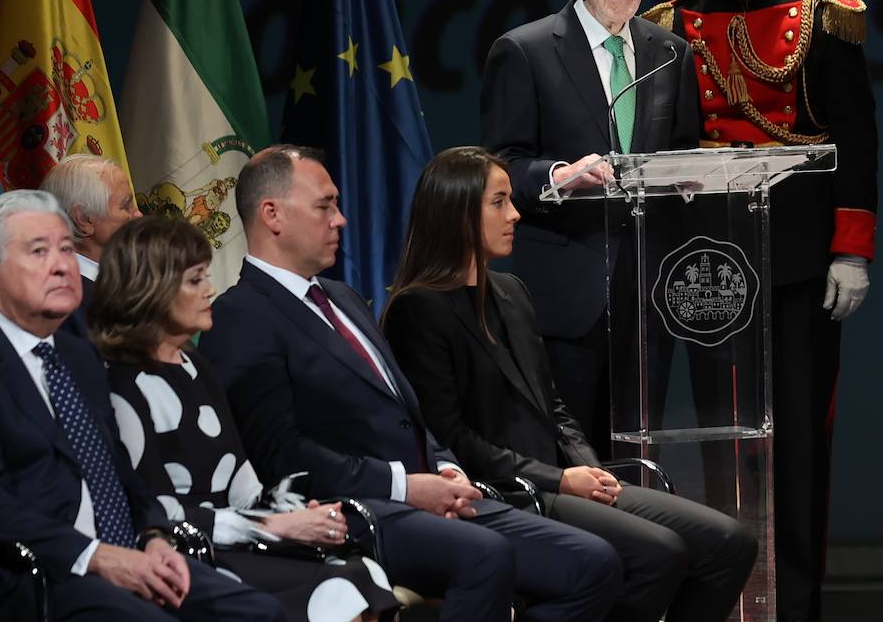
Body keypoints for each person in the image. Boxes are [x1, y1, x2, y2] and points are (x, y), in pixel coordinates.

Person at [198, 145, 623, 621]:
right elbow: (281, 456)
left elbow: (409, 412)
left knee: (595, 563)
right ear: (272, 214)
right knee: (485, 556)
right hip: (353, 510)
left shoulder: (343, 298)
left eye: (336, 204)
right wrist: (406, 486)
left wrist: (446, 471)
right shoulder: (241, 317)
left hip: (432, 495)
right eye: (325, 206)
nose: (339, 219)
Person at [645, 0, 878, 622]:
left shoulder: (823, 19)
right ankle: (732, 600)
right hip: (714, 266)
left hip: (802, 264)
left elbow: (856, 141)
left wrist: (852, 250)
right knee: (722, 441)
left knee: (799, 447)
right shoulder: (672, 28)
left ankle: (799, 604)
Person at [382, 146, 758, 621]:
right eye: (498, 202)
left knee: (731, 543)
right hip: (508, 491)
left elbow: (552, 406)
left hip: (563, 480)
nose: (515, 214)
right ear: (456, 213)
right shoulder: (418, 310)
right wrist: (561, 478)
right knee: (659, 553)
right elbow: (452, 440)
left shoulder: (511, 292)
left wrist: (590, 471)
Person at [0, 190, 280, 621]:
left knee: (258, 611)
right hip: (25, 576)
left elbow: (118, 469)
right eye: (39, 251)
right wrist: (97, 556)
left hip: (117, 554)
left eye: (66, 248)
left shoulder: (77, 355)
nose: (63, 265)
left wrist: (154, 536)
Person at [89, 215, 399, 620]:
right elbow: (156, 514)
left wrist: (298, 514)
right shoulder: (122, 385)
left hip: (242, 537)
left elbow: (243, 485)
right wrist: (273, 527)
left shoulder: (195, 366)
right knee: (335, 587)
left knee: (361, 569)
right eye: (195, 280)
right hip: (189, 553)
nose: (211, 290)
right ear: (154, 291)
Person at [480, 0, 699, 446]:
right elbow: (499, 167)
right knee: (571, 457)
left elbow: (682, 151)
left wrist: (691, 178)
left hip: (650, 294)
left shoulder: (670, 53)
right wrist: (558, 174)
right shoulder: (524, 51)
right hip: (565, 296)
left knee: (636, 455)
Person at [40, 154, 141, 339]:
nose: (138, 215)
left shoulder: (135, 275)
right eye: (126, 206)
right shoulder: (66, 308)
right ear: (84, 219)